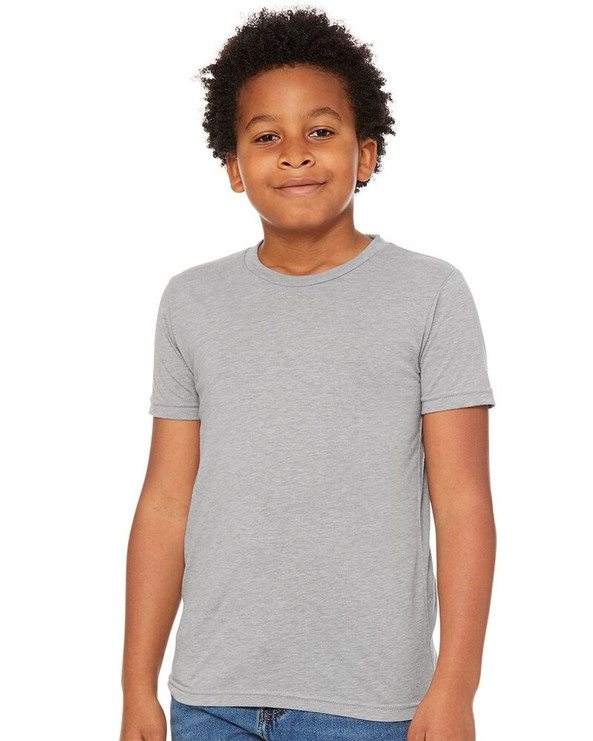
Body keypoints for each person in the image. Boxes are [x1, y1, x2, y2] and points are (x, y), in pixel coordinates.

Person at [120, 7, 497, 741]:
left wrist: (456, 687)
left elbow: (461, 504)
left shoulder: (430, 293)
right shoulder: (190, 301)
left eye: (320, 131)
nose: (294, 154)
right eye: (267, 136)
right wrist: (137, 682)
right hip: (211, 698)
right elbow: (165, 502)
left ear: (366, 154)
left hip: (373, 705)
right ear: (234, 167)